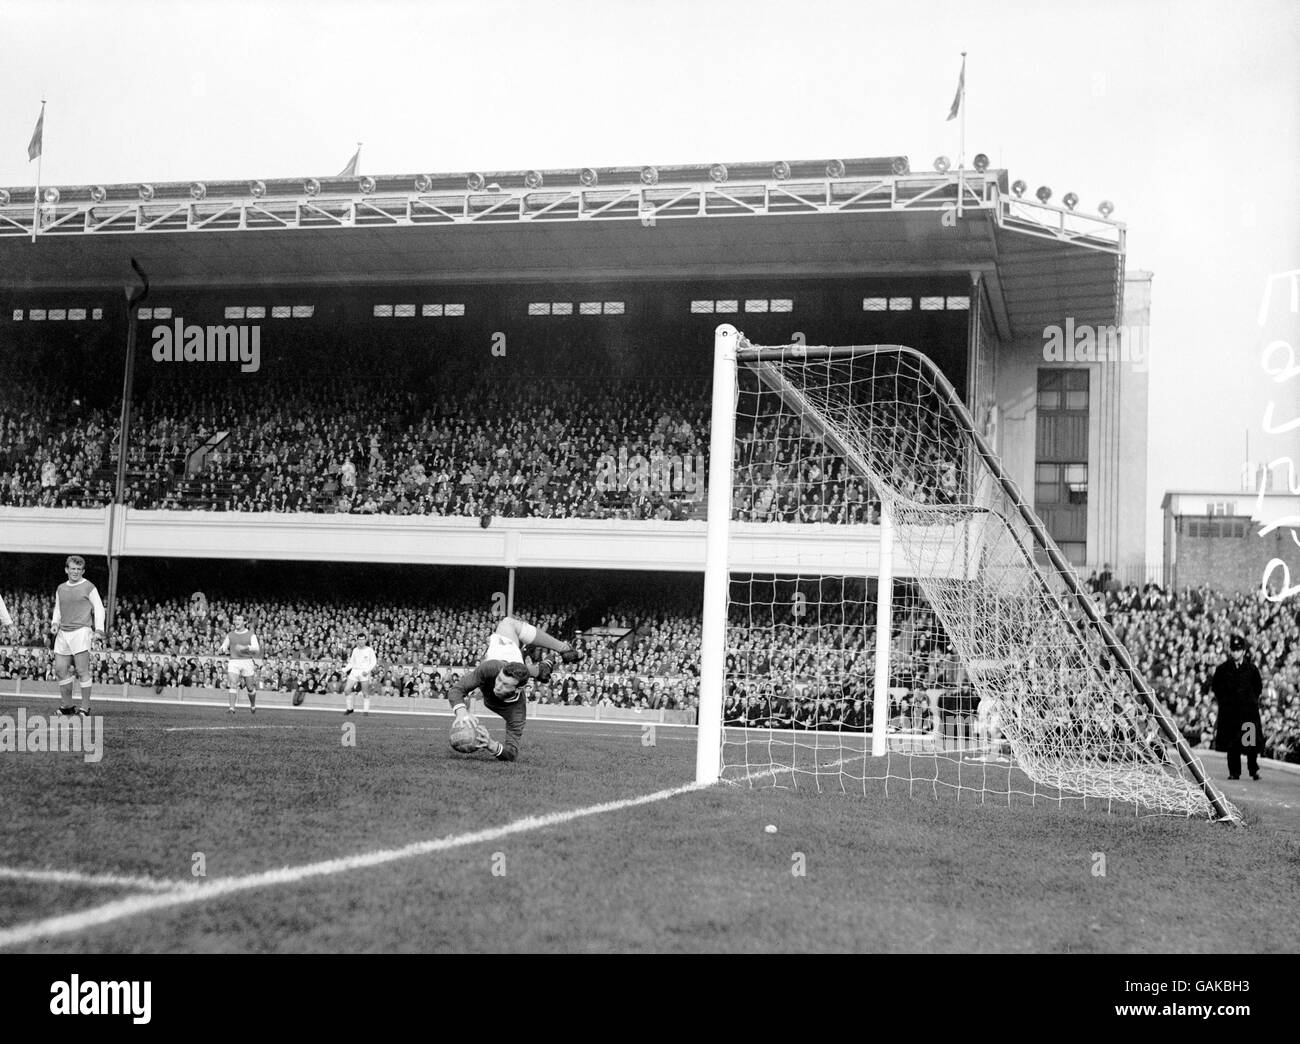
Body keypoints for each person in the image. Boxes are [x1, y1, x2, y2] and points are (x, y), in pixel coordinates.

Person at [446, 616, 581, 761]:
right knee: (507, 622)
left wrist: (492, 745)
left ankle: (545, 666)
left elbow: (511, 753)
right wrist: (461, 713)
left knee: (510, 629)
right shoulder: (491, 668)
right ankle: (558, 653)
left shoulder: (517, 712)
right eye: (499, 680)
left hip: (514, 663)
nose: (497, 686)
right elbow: (456, 690)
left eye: (504, 685)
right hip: (502, 656)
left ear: (518, 690)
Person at [50, 555, 105, 717]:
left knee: (82, 670)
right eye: (72, 568)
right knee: (60, 669)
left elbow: (99, 608)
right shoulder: (61, 588)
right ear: (67, 569)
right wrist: (55, 623)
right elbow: (58, 608)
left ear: (83, 571)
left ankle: (85, 706)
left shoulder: (89, 587)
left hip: (81, 631)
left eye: (79, 569)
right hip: (63, 632)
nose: (75, 572)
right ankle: (67, 705)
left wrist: (99, 630)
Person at [1210, 634, 1265, 781]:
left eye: (1238, 650)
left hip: (1248, 713)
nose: (1235, 652)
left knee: (1250, 744)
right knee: (1232, 744)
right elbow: (1216, 687)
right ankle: (1234, 772)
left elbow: (1258, 687)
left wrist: (1251, 701)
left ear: (1243, 651)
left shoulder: (1251, 669)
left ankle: (1253, 769)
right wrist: (1225, 702)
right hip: (1230, 713)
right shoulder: (1222, 669)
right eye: (1233, 650)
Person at [219, 613, 262, 714]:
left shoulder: (251, 635)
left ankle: (252, 705)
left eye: (239, 620)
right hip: (234, 661)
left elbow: (257, 649)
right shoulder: (230, 634)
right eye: (235, 620)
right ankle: (231, 708)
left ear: (245, 622)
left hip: (247, 661)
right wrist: (221, 649)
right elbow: (224, 646)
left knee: (250, 687)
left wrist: (245, 648)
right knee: (233, 684)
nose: (236, 622)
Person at [341, 630, 377, 715]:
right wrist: (344, 670)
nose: (361, 641)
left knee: (365, 692)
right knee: (346, 690)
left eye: (363, 639)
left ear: (365, 640)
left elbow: (373, 662)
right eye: (359, 639)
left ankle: (366, 711)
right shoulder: (355, 650)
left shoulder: (369, 650)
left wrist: (367, 671)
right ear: (357, 640)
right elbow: (351, 663)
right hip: (354, 671)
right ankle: (350, 709)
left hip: (364, 672)